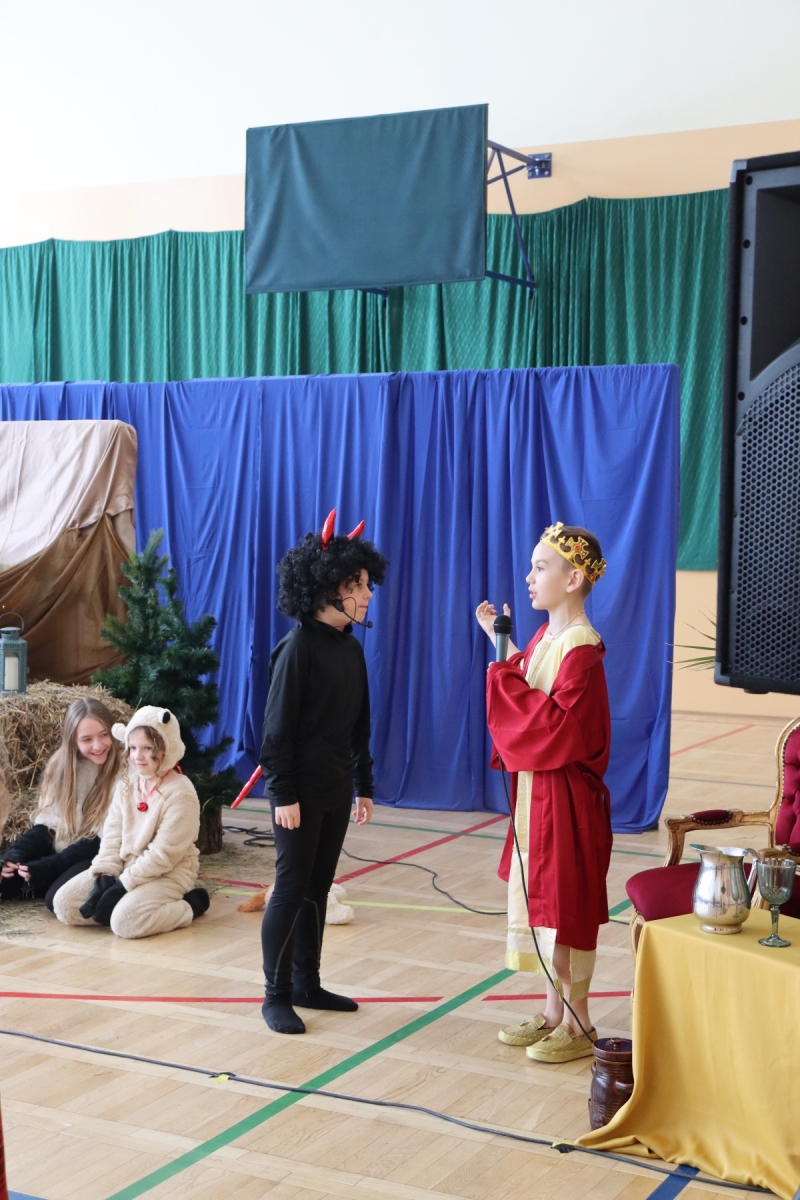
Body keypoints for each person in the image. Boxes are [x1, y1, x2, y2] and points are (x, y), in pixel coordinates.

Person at [477, 522, 612, 1064]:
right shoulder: (546, 637)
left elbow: (557, 726)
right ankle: (554, 1012)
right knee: (545, 903)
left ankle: (580, 1021)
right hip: (539, 793)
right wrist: (501, 648)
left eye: (541, 567)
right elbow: (530, 687)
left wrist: (500, 676)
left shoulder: (581, 646)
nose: (530, 577)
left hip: (566, 797)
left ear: (573, 578)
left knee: (566, 905)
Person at [259, 509, 387, 1034]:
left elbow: (359, 725)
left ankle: (306, 984)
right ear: (329, 589)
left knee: (319, 887)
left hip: (334, 789)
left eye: (367, 584)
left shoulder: (351, 648)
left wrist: (363, 785)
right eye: (359, 585)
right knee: (291, 888)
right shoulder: (297, 649)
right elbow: (276, 733)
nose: (368, 594)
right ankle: (275, 995)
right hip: (299, 794)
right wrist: (283, 794)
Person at [53, 706, 210, 938]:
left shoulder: (181, 793)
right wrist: (106, 873)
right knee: (64, 905)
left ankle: (188, 906)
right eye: (133, 747)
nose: (137, 756)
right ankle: (125, 908)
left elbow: (164, 855)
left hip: (167, 873)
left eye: (148, 748)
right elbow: (112, 834)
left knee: (125, 923)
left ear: (167, 748)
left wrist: (122, 886)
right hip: (126, 867)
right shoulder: (126, 784)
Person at [0, 697, 122, 912]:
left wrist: (51, 866)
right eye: (87, 739)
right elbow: (49, 825)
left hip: (104, 852)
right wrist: (15, 854)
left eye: (104, 735)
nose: (98, 745)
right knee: (7, 878)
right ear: (73, 741)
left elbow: (105, 839)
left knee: (54, 898)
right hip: (68, 847)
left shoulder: (126, 770)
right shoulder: (61, 767)